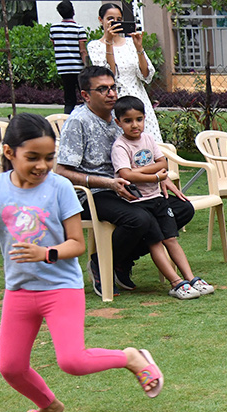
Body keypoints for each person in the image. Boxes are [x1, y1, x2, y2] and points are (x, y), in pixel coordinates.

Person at [0, 113, 163, 412]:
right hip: (19, 290)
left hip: (60, 288)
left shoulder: (60, 187)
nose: (42, 166)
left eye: (49, 158)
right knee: (11, 368)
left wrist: (45, 253)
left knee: (72, 361)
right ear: (9, 153)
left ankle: (132, 357)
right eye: (32, 158)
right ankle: (49, 407)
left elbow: (77, 243)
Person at [56, 65, 194, 297]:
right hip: (94, 193)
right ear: (85, 95)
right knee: (140, 219)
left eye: (113, 87)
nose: (111, 93)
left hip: (133, 186)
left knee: (181, 209)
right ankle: (102, 262)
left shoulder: (122, 116)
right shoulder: (78, 121)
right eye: (103, 89)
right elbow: (61, 171)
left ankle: (121, 259)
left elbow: (145, 155)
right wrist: (108, 183)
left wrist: (159, 179)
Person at [112, 96, 213, 300]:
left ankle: (191, 278)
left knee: (171, 239)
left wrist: (141, 171)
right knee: (155, 243)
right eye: (128, 120)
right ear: (118, 122)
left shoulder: (148, 139)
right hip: (138, 203)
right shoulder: (120, 146)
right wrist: (156, 176)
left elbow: (163, 162)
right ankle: (176, 283)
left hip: (157, 199)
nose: (134, 125)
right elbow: (126, 175)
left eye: (139, 119)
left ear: (145, 118)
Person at [88, 3, 160, 143]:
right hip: (115, 99)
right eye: (110, 19)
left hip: (138, 97)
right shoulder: (95, 46)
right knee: (122, 146)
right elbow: (109, 75)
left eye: (119, 20)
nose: (115, 23)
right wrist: (109, 42)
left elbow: (146, 75)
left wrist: (139, 48)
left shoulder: (130, 43)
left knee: (148, 143)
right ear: (100, 20)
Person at [50, 0, 89, 114]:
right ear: (73, 11)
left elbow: (54, 45)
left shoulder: (54, 28)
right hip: (78, 68)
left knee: (69, 97)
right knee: (85, 95)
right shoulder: (78, 29)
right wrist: (86, 67)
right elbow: (82, 50)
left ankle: (67, 117)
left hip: (63, 67)